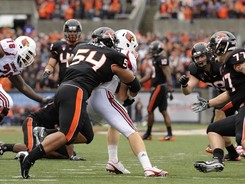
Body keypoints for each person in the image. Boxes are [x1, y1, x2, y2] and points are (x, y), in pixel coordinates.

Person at [16, 27, 153, 179]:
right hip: (77, 91)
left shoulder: (81, 47)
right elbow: (133, 81)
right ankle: (30, 157)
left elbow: (70, 61)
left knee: (86, 134)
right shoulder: (114, 55)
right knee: (67, 135)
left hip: (63, 88)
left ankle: (39, 141)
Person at [87, 29, 167, 176]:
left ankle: (113, 160)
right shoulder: (126, 55)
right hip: (103, 96)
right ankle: (148, 167)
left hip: (86, 95)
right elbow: (124, 93)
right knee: (131, 130)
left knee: (112, 124)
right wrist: (130, 97)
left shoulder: (100, 49)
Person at [192, 31, 245, 173]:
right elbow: (229, 93)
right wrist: (209, 103)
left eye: (214, 46)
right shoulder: (224, 67)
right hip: (241, 110)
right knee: (214, 129)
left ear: (223, 46)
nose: (212, 50)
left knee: (243, 141)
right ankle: (217, 160)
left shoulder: (236, 56)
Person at [178, 41, 240, 161]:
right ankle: (233, 154)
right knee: (218, 127)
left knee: (217, 118)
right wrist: (184, 85)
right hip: (223, 97)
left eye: (202, 56)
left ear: (208, 54)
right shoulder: (196, 70)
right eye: (197, 57)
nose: (200, 60)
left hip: (235, 93)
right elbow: (188, 90)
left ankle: (217, 155)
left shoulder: (220, 66)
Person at [0, 102, 85, 160]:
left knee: (62, 154)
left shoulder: (65, 104)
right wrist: (71, 156)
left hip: (45, 129)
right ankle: (4, 147)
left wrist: (70, 155)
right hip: (33, 122)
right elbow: (66, 133)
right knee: (33, 151)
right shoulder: (66, 107)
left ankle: (7, 147)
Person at [0, 35, 51, 122]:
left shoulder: (16, 65)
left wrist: (41, 99)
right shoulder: (11, 48)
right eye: (28, 54)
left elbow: (22, 86)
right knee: (6, 102)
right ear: (22, 46)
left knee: (6, 103)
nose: (28, 58)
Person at [140, 40, 174, 141]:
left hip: (160, 87)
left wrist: (170, 86)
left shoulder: (161, 58)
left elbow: (167, 72)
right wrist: (138, 81)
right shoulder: (156, 59)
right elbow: (151, 74)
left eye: (153, 50)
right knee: (163, 111)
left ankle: (148, 133)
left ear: (159, 50)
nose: (152, 52)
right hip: (160, 87)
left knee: (150, 110)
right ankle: (170, 134)